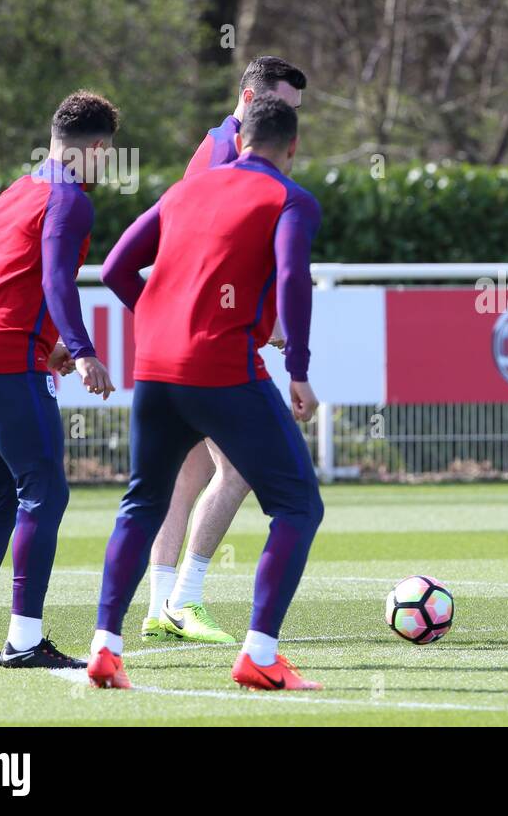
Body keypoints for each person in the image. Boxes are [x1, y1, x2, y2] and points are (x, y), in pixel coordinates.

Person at [88, 95, 324, 690]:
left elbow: (115, 267)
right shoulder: (290, 198)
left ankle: (104, 649)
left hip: (157, 369)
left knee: (141, 503)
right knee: (297, 506)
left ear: (238, 138)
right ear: (292, 146)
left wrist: (166, 318)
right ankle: (260, 654)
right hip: (222, 370)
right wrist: (297, 366)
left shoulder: (184, 191)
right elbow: (294, 277)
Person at [0, 90, 118, 669]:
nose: (108, 163)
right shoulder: (71, 201)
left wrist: (52, 344)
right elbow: (56, 284)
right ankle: (23, 640)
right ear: (93, 149)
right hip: (7, 360)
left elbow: (9, 277)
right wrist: (84, 350)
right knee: (44, 492)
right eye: (108, 153)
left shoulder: (18, 189)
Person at [142, 55, 307, 645]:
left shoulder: (219, 146)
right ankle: (185, 599)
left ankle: (161, 603)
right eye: (280, 108)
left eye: (292, 112)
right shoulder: (224, 157)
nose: (286, 122)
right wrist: (256, 321)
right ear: (248, 97)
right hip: (207, 345)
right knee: (236, 470)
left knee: (185, 476)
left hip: (182, 336)